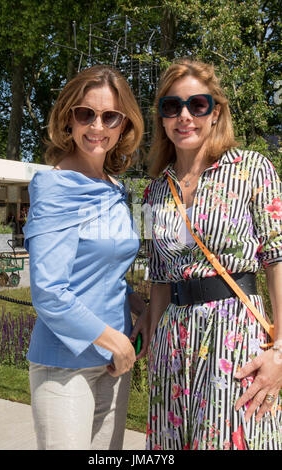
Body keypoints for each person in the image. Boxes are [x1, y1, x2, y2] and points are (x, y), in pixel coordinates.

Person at [137, 58, 282, 450]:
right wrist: (149, 326)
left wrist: (280, 352)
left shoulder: (253, 169)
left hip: (234, 336)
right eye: (172, 106)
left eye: (197, 105)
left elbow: (277, 260)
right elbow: (160, 276)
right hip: (173, 344)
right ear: (162, 117)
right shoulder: (153, 191)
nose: (184, 116)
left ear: (215, 111)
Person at [23, 65, 146, 450]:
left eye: (110, 116)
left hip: (113, 364)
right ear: (68, 119)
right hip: (64, 366)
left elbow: (109, 273)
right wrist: (116, 341)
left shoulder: (115, 189)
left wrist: (141, 308)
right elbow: (48, 292)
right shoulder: (55, 186)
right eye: (85, 113)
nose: (97, 126)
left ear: (124, 125)